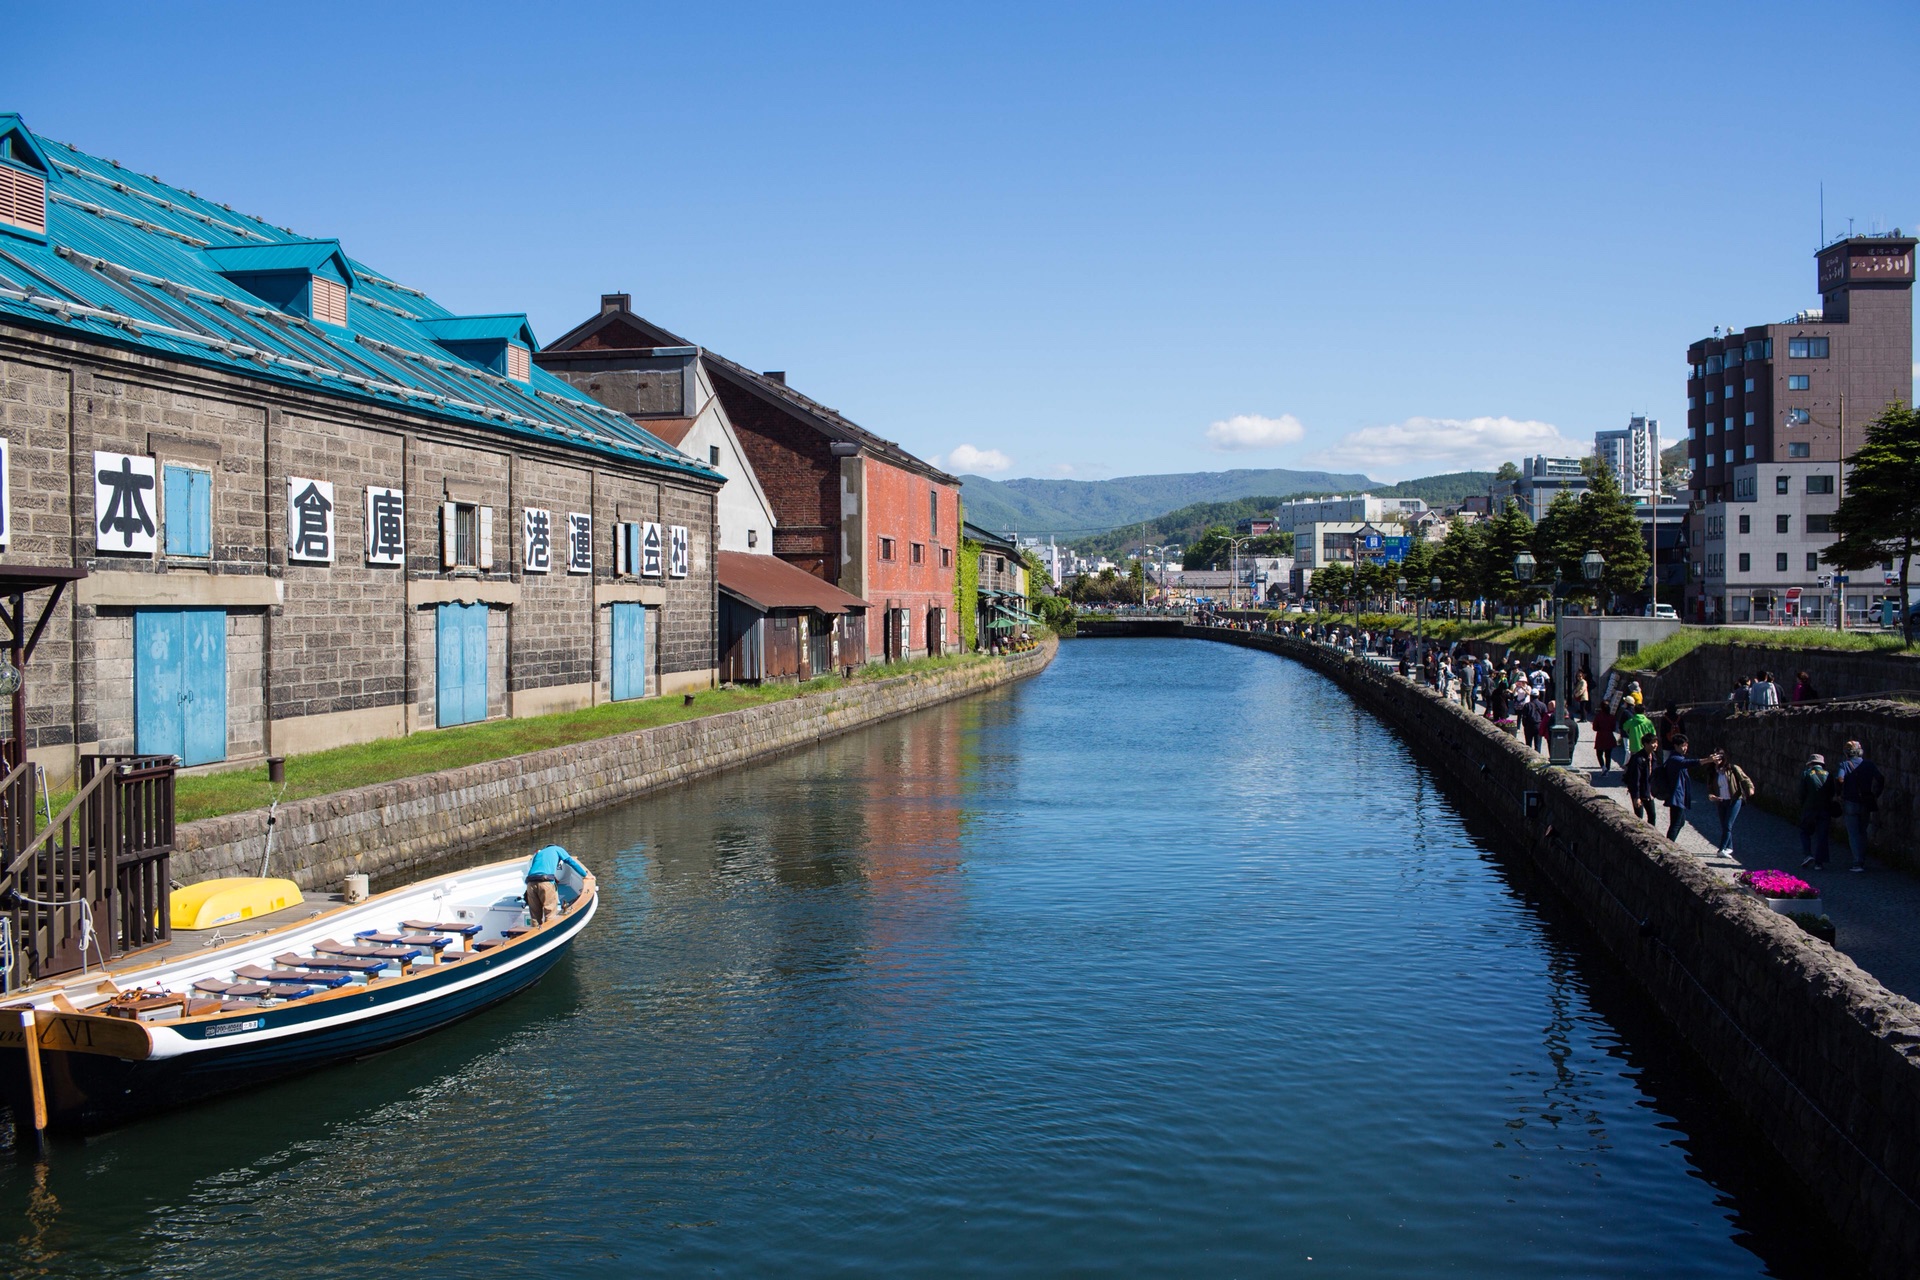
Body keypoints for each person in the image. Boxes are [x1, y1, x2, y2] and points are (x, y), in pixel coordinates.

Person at [1836, 740, 1885, 873]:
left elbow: (1840, 779)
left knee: (1853, 833)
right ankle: (1862, 858)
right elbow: (1880, 778)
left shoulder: (1844, 764)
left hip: (1851, 801)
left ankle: (1858, 862)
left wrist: (1839, 793)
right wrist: (1876, 794)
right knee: (1863, 831)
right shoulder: (1868, 764)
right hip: (1866, 801)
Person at [524, 843, 591, 925]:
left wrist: (554, 878)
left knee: (535, 916)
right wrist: (585, 875)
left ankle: (534, 933)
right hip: (545, 883)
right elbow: (570, 862)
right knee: (549, 913)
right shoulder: (558, 849)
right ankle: (548, 934)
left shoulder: (539, 853)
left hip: (530, 883)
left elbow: (538, 870)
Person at [1659, 735, 1706, 843]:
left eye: (1686, 745)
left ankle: (1670, 843)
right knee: (1675, 823)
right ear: (1676, 746)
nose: (1685, 748)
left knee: (1680, 822)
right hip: (1676, 796)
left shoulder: (1677, 758)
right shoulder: (1675, 759)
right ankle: (1669, 845)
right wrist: (1707, 760)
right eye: (1682, 746)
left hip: (1679, 796)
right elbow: (1689, 763)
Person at [1620, 703, 1659, 825]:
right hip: (1643, 750)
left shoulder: (1632, 721)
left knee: (1635, 770)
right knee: (1637, 772)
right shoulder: (1648, 722)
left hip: (1635, 747)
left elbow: (1624, 727)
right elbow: (1653, 733)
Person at [1709, 752, 1754, 857]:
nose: (1717, 760)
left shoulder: (1732, 768)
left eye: (1719, 758)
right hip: (1721, 801)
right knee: (1724, 825)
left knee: (1727, 825)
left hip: (1734, 800)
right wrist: (1711, 796)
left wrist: (1750, 788)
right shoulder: (1712, 772)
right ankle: (1729, 847)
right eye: (1715, 758)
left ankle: (1722, 849)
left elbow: (1745, 778)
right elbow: (1710, 788)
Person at [1797, 753, 1834, 870]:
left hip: (1809, 808)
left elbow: (1802, 793)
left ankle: (1808, 854)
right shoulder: (1828, 774)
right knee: (1822, 835)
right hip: (1824, 808)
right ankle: (1819, 863)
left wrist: (1803, 805)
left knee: (1805, 831)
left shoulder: (1807, 774)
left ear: (1811, 764)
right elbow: (1832, 792)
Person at [1591, 700, 1618, 777]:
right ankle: (1607, 769)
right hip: (1609, 736)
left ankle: (1603, 767)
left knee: (1599, 754)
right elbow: (1613, 728)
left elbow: (1595, 727)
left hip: (1601, 736)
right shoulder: (1612, 717)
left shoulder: (1598, 716)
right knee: (1608, 754)